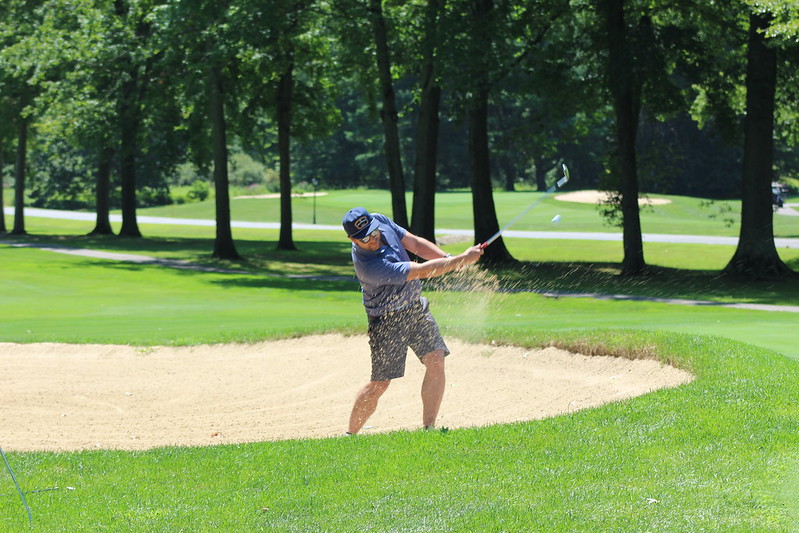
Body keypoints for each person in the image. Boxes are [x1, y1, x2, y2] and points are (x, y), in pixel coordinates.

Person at [342, 207, 484, 435]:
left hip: (416, 308)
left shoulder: (379, 220)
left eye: (373, 231)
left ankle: (429, 428)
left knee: (436, 360)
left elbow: (416, 244)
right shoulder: (369, 266)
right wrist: (460, 261)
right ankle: (350, 436)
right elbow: (420, 271)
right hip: (387, 320)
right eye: (365, 238)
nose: (373, 238)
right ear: (352, 240)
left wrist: (448, 259)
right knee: (381, 383)